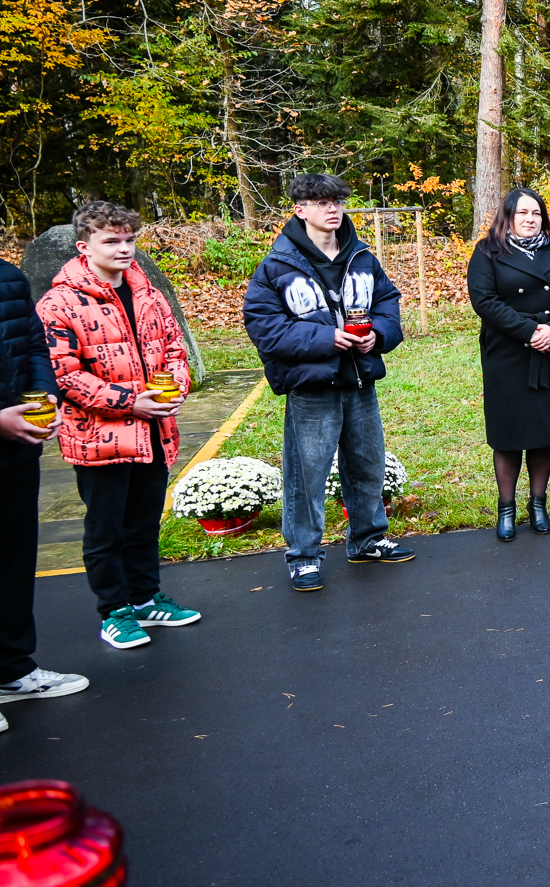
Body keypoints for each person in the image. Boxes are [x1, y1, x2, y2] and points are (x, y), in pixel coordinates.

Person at [37, 202, 202, 648]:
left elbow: (174, 347)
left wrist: (176, 391)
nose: (124, 248)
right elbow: (64, 373)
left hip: (155, 430)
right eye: (111, 241)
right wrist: (131, 403)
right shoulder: (59, 302)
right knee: (105, 529)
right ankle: (114, 612)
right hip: (99, 437)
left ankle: (147, 599)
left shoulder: (148, 291)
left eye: (130, 239)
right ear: (84, 246)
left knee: (145, 522)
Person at [243, 174, 412, 592]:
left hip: (359, 381)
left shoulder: (362, 256)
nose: (332, 208)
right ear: (300, 210)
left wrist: (381, 335)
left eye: (337, 200)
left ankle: (368, 539)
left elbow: (388, 302)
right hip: (312, 388)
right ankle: (303, 558)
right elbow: (263, 327)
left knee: (367, 466)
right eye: (321, 202)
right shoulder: (277, 266)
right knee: (307, 476)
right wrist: (325, 338)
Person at [467, 188, 550, 540]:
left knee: (542, 429)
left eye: (536, 213)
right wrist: (531, 330)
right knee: (508, 432)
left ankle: (538, 503)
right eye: (523, 213)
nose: (531, 219)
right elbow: (484, 301)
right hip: (508, 352)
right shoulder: (487, 252)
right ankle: (507, 507)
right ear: (509, 217)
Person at [0, 255, 86, 726]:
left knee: (13, 563)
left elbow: (34, 346)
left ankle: (12, 671)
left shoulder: (8, 278)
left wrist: (43, 395)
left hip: (15, 453)